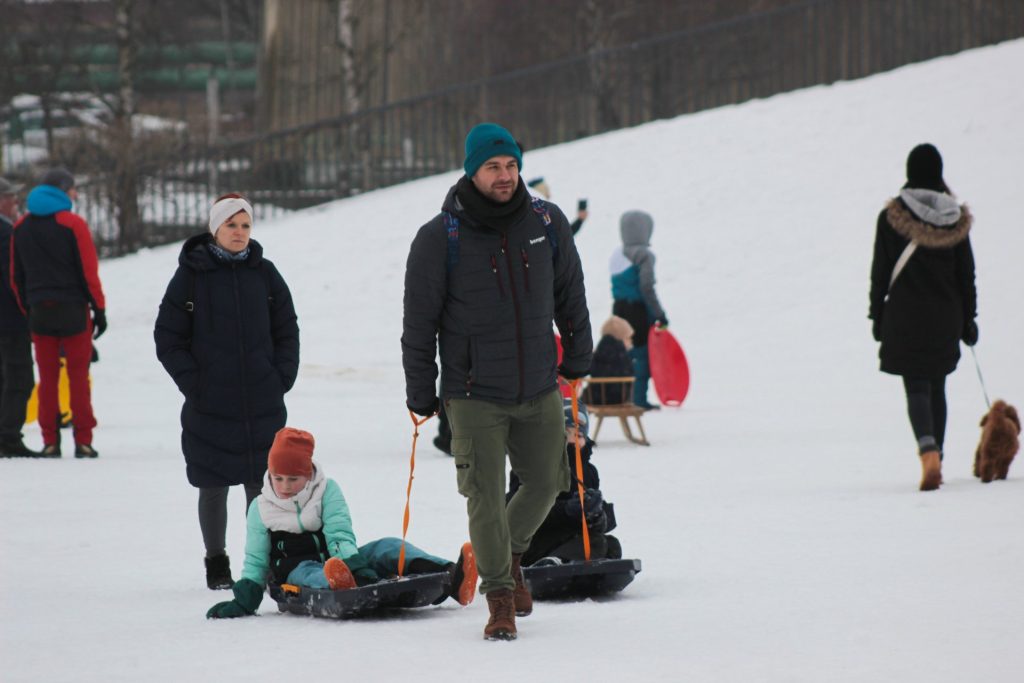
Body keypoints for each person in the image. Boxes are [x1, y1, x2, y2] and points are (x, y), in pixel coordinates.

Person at [402, 122, 593, 640]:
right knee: (484, 496)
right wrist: (421, 389)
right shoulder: (440, 237)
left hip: (538, 383)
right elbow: (418, 324)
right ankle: (501, 597)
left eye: (511, 165)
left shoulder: (547, 222)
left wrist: (577, 356)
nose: (505, 176)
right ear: (472, 171)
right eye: (493, 167)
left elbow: (570, 295)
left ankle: (506, 555)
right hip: (472, 391)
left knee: (549, 480)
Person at [154, 193, 300, 589]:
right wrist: (194, 384)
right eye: (231, 225)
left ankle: (261, 563)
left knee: (261, 484)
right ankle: (216, 561)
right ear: (215, 229)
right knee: (212, 483)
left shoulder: (265, 273)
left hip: (261, 399)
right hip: (209, 402)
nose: (239, 233)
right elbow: (168, 337)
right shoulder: (190, 275)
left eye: (245, 225)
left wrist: (280, 377)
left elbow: (287, 329)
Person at [207, 427, 478, 618]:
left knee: (388, 546)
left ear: (308, 473)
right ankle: (340, 584)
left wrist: (356, 565)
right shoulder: (261, 507)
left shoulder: (326, 490)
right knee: (309, 573)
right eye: (279, 478)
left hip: (340, 558)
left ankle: (454, 577)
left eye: (293, 479)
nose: (285, 486)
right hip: (294, 572)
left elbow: (339, 534)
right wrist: (245, 600)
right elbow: (255, 559)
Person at [868, 143, 977, 491]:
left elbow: (880, 271)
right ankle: (939, 458)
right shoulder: (955, 219)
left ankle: (927, 449)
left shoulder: (891, 218)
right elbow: (966, 275)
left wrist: (876, 313)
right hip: (946, 315)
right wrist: (969, 319)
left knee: (915, 385)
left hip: (905, 316)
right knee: (937, 385)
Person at [10, 168, 104, 457]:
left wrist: (28, 308)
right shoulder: (73, 224)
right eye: (73, 189)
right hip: (74, 312)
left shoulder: (21, 227)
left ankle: (50, 441)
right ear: (63, 191)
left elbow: (17, 276)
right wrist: (99, 309)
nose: (75, 194)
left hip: (39, 312)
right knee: (78, 376)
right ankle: (83, 441)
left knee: (48, 379)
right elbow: (89, 272)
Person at [507, 400, 621, 567]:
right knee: (594, 543)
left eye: (579, 435)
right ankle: (551, 564)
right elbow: (516, 511)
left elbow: (601, 517)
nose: (574, 440)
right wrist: (566, 510)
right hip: (536, 541)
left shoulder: (588, 471)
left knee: (611, 545)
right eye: (567, 433)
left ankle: (575, 567)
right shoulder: (531, 464)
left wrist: (597, 515)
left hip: (570, 538)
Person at [610, 210, 668, 410]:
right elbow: (646, 287)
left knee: (623, 355)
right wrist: (660, 315)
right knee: (642, 355)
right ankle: (639, 400)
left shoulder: (616, 254)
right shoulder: (644, 255)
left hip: (618, 310)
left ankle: (622, 396)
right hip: (638, 311)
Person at [0, 177, 38, 457]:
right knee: (18, 378)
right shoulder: (6, 234)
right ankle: (8, 436)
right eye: (10, 197)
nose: (15, 202)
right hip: (10, 320)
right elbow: (12, 280)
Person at [582, 315, 635, 406]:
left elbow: (590, 369)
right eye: (628, 338)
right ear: (620, 337)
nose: (631, 342)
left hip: (595, 397)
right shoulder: (621, 354)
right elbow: (630, 372)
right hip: (619, 398)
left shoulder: (599, 351)